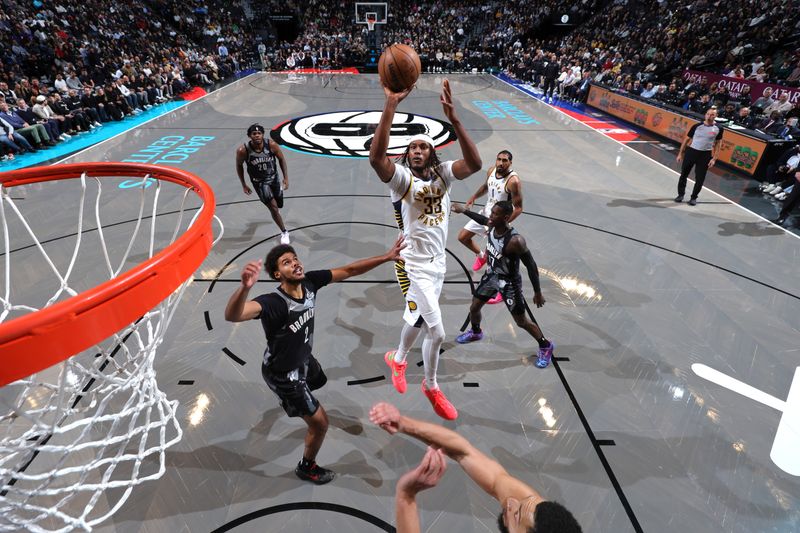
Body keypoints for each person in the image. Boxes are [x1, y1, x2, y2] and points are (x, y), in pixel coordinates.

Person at [224, 235, 405, 484]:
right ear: (278, 275)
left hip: (304, 359)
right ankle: (306, 467)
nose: (296, 263)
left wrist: (386, 256)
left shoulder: (310, 282)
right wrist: (245, 288)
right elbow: (233, 315)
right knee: (320, 424)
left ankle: (299, 402)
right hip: (284, 374)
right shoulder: (273, 303)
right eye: (287, 262)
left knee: (319, 380)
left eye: (295, 259)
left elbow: (349, 270)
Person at [369, 79, 482, 420]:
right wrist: (390, 105)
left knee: (417, 317)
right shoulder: (403, 179)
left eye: (424, 147)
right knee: (438, 330)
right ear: (407, 155)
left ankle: (398, 358)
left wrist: (455, 120)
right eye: (413, 147)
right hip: (412, 263)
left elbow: (475, 165)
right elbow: (377, 159)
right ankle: (431, 385)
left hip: (438, 264)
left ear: (433, 152)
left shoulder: (443, 176)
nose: (417, 150)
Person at [369, 402, 583, 533]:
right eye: (525, 503)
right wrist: (403, 423)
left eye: (516, 515)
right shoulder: (529, 506)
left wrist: (406, 496)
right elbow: (465, 452)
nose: (511, 503)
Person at [452, 201, 555, 368]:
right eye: (491, 213)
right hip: (492, 276)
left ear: (506, 217)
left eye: (494, 214)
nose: (490, 216)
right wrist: (464, 210)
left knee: (521, 322)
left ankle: (545, 345)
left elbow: (531, 265)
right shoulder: (493, 225)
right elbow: (481, 219)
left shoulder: (516, 241)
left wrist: (537, 292)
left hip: (509, 284)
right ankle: (476, 332)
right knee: (474, 308)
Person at [235, 123, 291, 244]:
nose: (257, 136)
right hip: (259, 182)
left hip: (274, 178)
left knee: (279, 205)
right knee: (274, 208)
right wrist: (243, 184)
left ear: (263, 134)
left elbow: (281, 159)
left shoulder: (271, 145)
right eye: (254, 134)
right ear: (249, 136)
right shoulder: (243, 150)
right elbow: (239, 166)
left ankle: (275, 211)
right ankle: (284, 232)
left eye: (259, 133)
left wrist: (285, 178)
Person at [675, 107, 723, 206]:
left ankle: (693, 198)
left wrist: (714, 158)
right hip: (691, 152)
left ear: (716, 116)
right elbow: (686, 140)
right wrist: (680, 153)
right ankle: (680, 195)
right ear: (705, 114)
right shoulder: (696, 126)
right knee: (684, 174)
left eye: (712, 114)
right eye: (708, 114)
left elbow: (718, 144)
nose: (709, 116)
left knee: (700, 178)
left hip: (705, 155)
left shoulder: (719, 128)